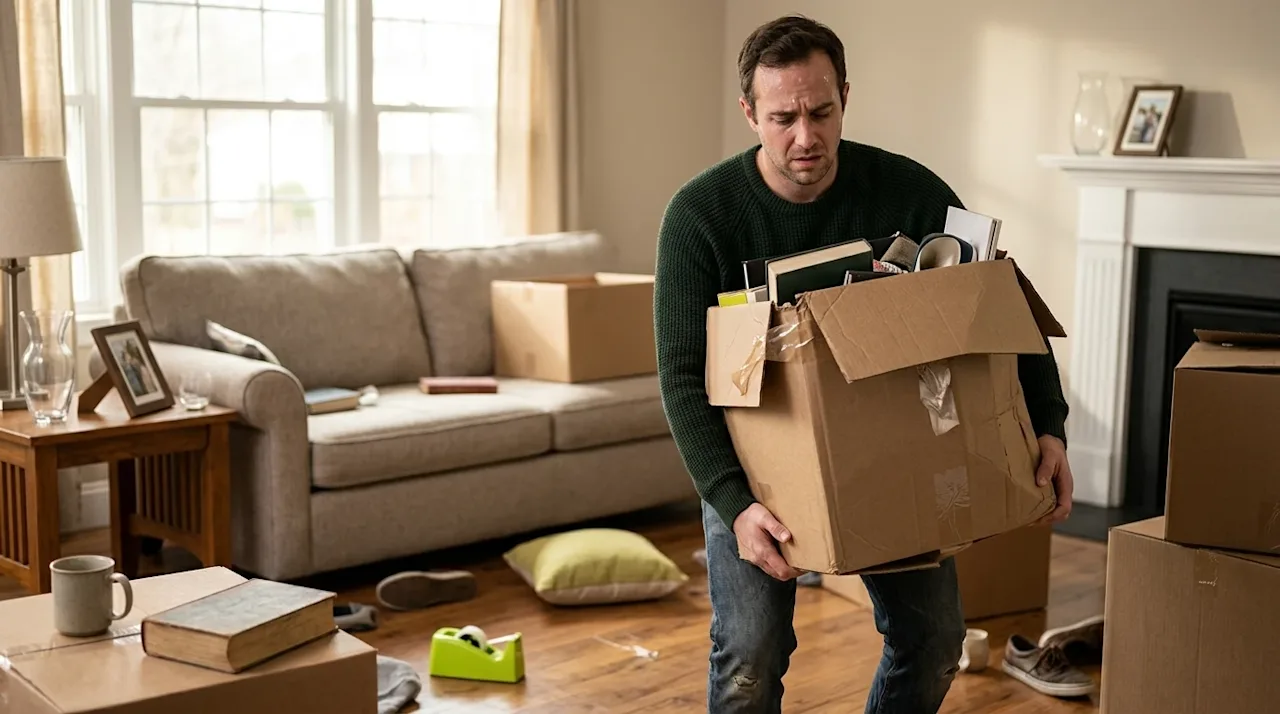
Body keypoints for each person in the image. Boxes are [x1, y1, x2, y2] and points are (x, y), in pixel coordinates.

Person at [652, 15, 1074, 714]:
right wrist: (733, 504)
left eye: (821, 112)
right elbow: (679, 377)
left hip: (890, 459)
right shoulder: (700, 217)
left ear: (845, 97)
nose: (806, 137)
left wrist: (1049, 425)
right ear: (749, 113)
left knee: (934, 642)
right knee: (750, 657)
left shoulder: (910, 192)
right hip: (754, 473)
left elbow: (997, 306)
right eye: (783, 118)